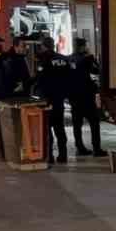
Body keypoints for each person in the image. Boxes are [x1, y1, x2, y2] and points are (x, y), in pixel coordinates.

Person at [31, 37, 72, 167]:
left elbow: (39, 79)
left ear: (44, 46)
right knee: (59, 127)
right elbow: (69, 77)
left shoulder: (43, 60)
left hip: (47, 99)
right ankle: (63, 155)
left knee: (47, 128)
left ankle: (49, 156)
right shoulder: (64, 59)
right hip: (59, 99)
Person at [69, 36, 108, 157]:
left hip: (74, 97)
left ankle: (80, 147)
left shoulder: (69, 59)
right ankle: (96, 148)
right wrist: (93, 58)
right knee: (94, 123)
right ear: (83, 47)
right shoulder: (87, 59)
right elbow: (96, 70)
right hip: (86, 96)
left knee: (77, 124)